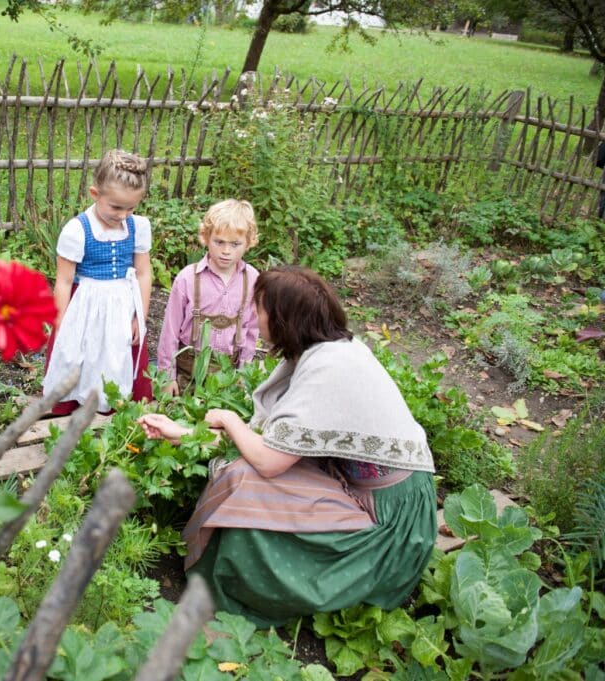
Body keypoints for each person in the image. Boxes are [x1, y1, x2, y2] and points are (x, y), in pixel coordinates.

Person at [137, 265, 437, 628]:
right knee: (241, 475)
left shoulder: (329, 368)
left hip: (391, 519)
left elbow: (266, 461)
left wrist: (230, 420)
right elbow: (261, 443)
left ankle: (247, 588)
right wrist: (180, 432)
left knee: (247, 485)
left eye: (260, 309)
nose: (255, 317)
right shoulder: (324, 352)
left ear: (283, 319)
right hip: (367, 487)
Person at [42, 150, 153, 414]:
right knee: (82, 354)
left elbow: (143, 273)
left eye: (131, 207)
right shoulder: (78, 230)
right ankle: (73, 403)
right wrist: (61, 325)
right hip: (87, 303)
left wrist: (141, 316)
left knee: (117, 355)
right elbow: (64, 281)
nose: (123, 215)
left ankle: (115, 408)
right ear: (95, 194)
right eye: (115, 207)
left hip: (123, 304)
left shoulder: (138, 227)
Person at [157, 199, 260, 396]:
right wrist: (166, 377)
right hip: (187, 373)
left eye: (235, 244)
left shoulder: (252, 280)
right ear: (205, 237)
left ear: (249, 242)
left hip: (228, 374)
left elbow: (251, 332)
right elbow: (169, 332)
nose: (226, 251)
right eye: (219, 242)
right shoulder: (188, 278)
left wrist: (244, 373)